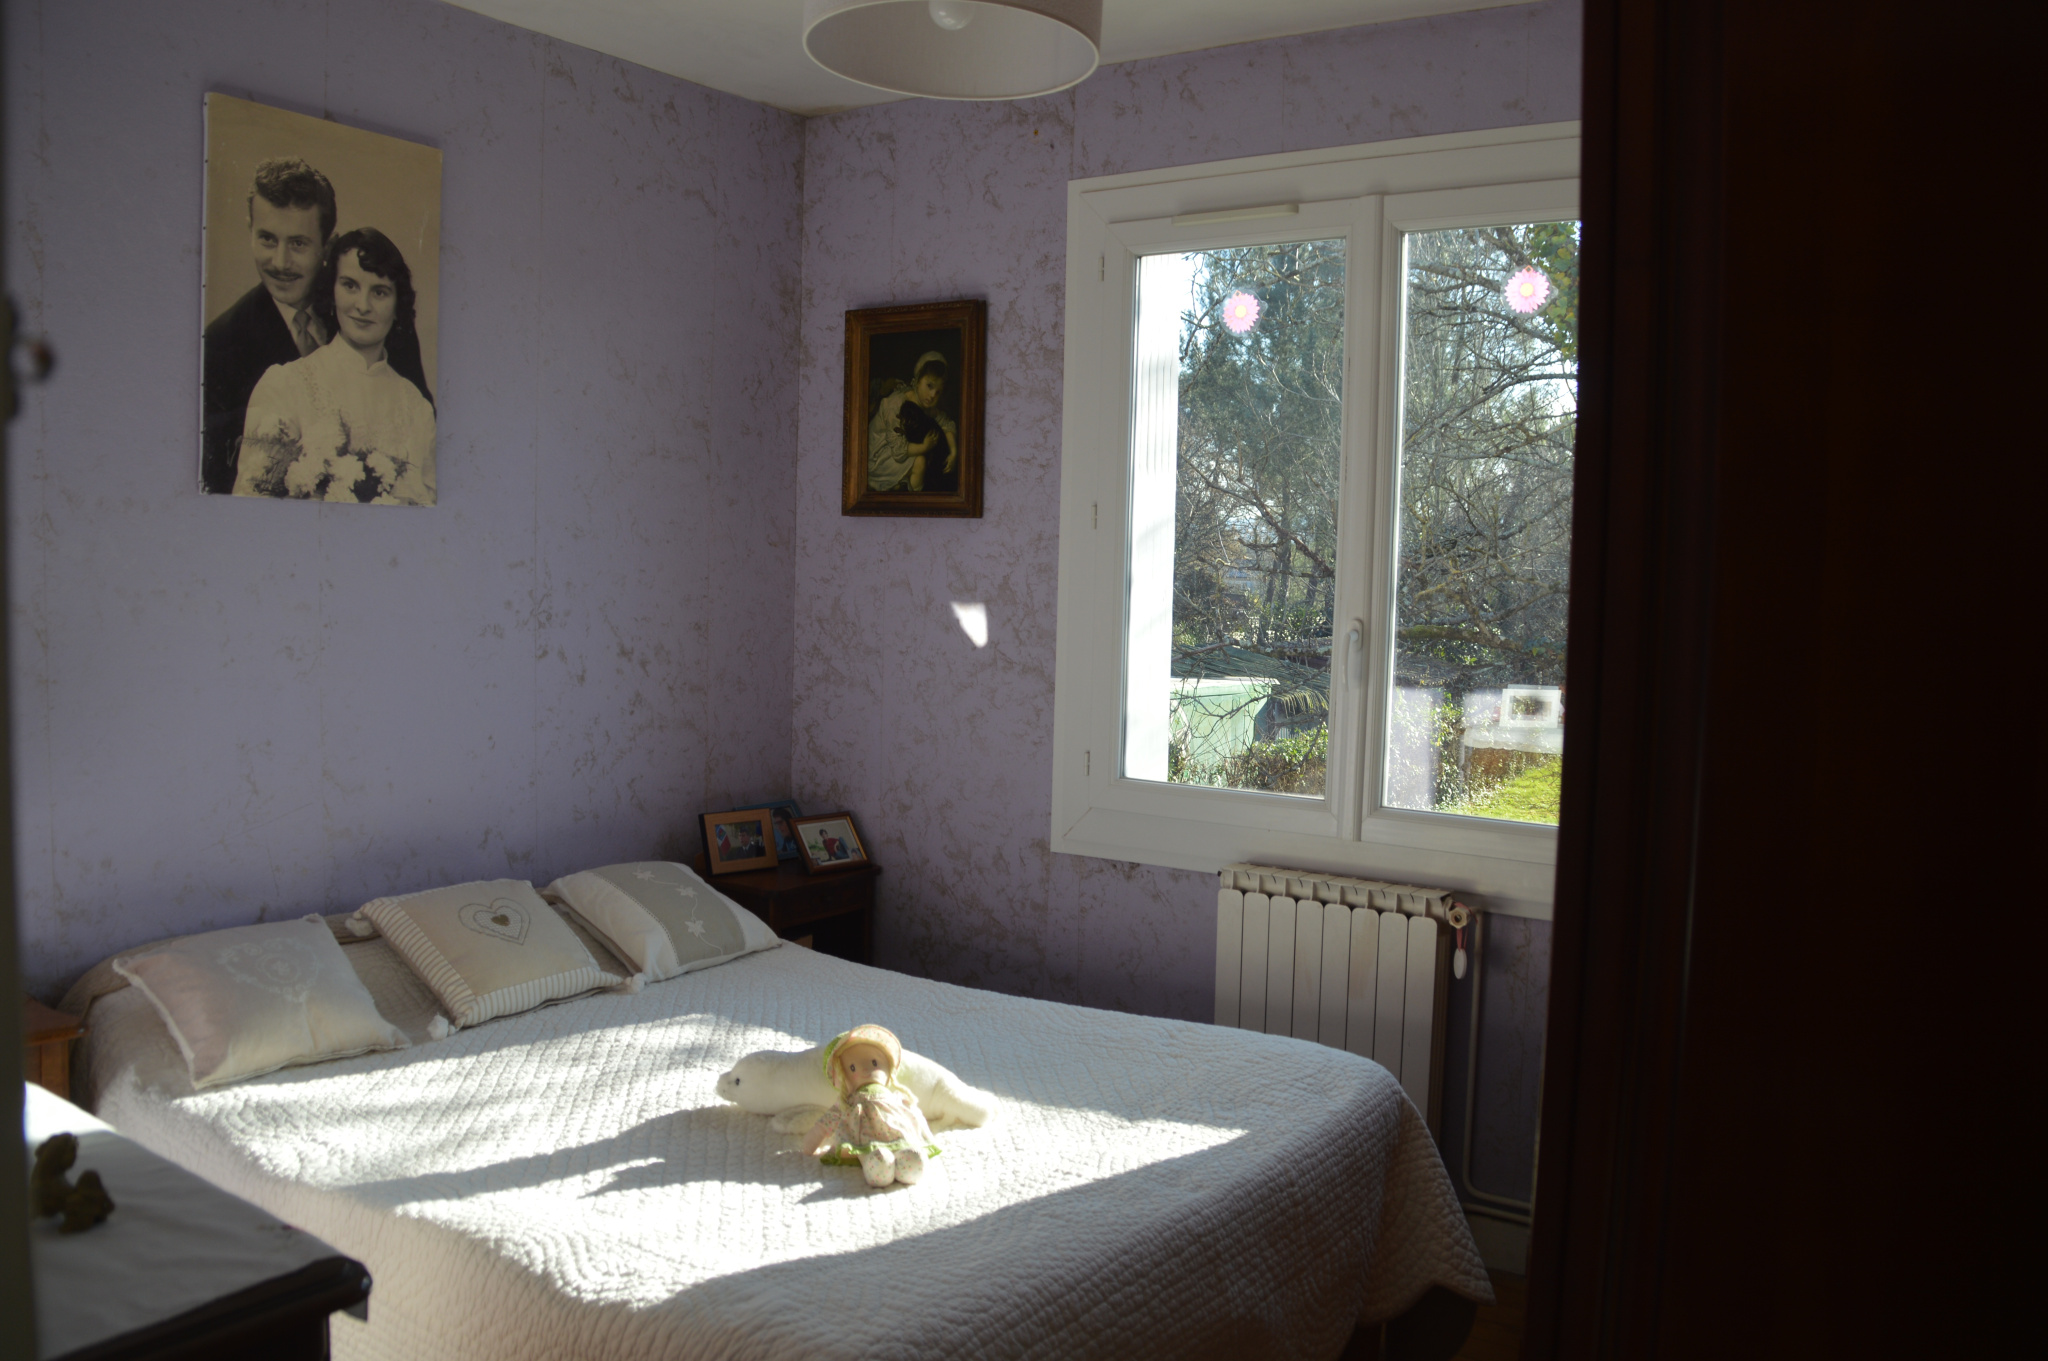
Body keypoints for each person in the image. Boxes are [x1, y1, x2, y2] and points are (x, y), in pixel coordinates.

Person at [201, 158, 435, 495]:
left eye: (298, 243)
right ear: (249, 230)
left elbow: (419, 436)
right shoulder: (220, 344)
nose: (280, 262)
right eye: (267, 239)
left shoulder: (376, 316)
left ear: (328, 245)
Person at [232, 229, 436, 504]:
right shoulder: (285, 384)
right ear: (332, 291)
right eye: (350, 285)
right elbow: (251, 501)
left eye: (380, 292)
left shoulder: (417, 409)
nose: (363, 306)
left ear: (398, 304)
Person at [866, 351, 958, 493]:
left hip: (895, 454)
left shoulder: (926, 405)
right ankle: (912, 500)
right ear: (918, 380)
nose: (932, 395)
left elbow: (945, 423)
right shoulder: (896, 403)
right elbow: (898, 451)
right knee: (920, 462)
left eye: (938, 392)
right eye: (929, 386)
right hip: (877, 457)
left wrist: (953, 452)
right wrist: (924, 447)